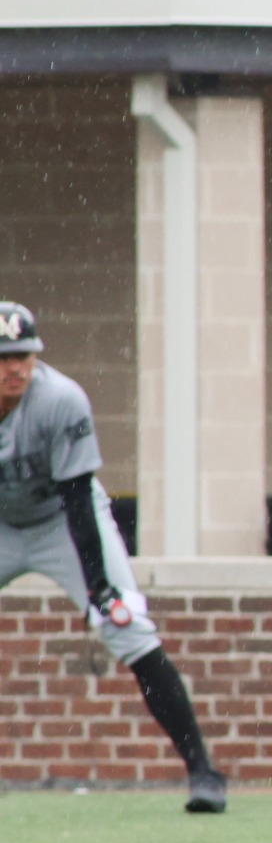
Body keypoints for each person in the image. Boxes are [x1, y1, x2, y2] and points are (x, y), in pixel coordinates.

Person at [0, 303, 227, 812]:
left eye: (24, 355)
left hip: (60, 519)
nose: (15, 367)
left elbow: (78, 496)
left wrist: (99, 586)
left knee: (129, 626)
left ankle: (204, 774)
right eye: (3, 358)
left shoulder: (61, 400)